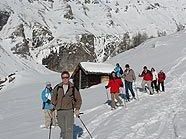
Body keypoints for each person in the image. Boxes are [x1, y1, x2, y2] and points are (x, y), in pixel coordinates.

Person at [51, 71, 82, 139]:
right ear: (61, 78)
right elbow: (53, 97)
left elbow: (78, 99)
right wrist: (54, 104)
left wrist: (77, 109)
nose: (65, 79)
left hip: (69, 110)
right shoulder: (58, 87)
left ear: (69, 78)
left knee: (69, 128)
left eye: (66, 77)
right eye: (63, 77)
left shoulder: (73, 87)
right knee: (62, 128)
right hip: (59, 111)